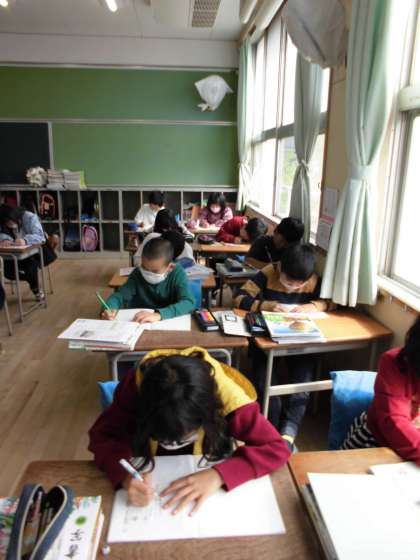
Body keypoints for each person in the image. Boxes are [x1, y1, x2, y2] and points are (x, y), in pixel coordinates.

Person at [88, 347, 290, 512]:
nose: (173, 445)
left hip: (206, 459)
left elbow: (277, 448)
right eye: (166, 439)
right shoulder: (134, 389)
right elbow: (102, 436)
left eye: (183, 437)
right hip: (151, 468)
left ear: (208, 413)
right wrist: (125, 476)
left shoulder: (228, 399)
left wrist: (218, 475)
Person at [233, 244, 331, 450]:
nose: (291, 287)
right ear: (279, 268)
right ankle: (271, 425)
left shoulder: (313, 280)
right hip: (267, 340)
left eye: (298, 284)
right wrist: (264, 305)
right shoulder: (267, 273)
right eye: (288, 281)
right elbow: (239, 298)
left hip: (298, 339)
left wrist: (313, 306)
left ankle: (288, 432)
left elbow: (331, 302)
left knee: (302, 379)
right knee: (265, 379)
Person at [342, 316, 420, 462]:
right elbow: (394, 421)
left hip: (412, 443)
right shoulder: (394, 362)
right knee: (344, 468)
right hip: (378, 439)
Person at [102, 237, 195, 324]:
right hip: (139, 323)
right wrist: (109, 308)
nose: (148, 273)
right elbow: (119, 296)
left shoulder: (177, 274)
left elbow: (189, 302)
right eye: (144, 267)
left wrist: (159, 315)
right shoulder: (137, 273)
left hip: (166, 322)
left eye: (155, 271)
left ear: (170, 267)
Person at [0, 204, 55, 301]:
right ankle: (32, 279)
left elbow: (40, 237)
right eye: (6, 223)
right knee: (8, 272)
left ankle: (36, 288)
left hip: (34, 251)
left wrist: (25, 240)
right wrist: (5, 240)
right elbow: (2, 233)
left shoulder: (29, 217)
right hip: (15, 252)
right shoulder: (4, 222)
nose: (8, 225)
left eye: (9, 221)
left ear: (13, 216)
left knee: (30, 267)